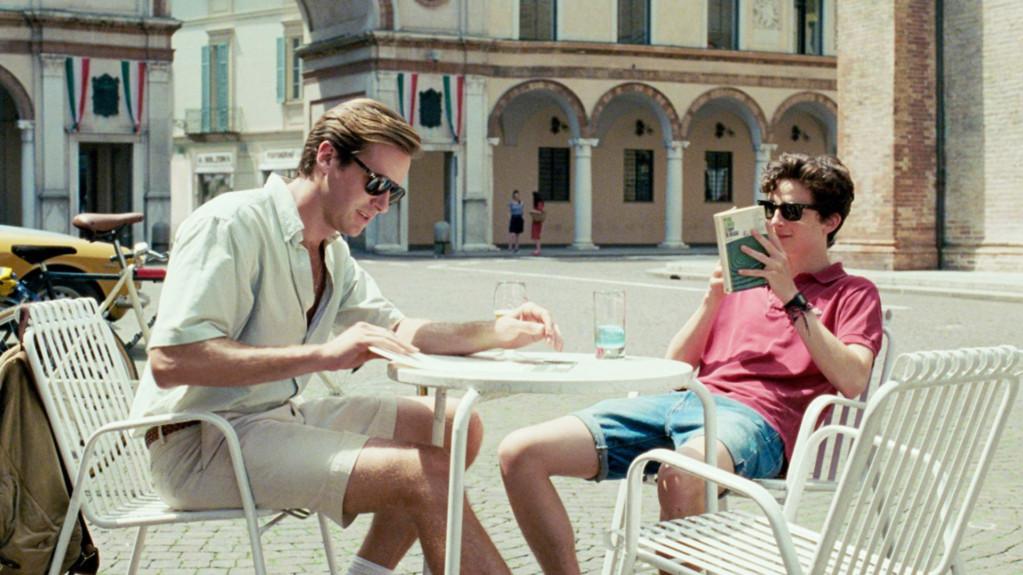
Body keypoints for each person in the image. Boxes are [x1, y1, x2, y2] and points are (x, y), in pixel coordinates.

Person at [129, 98, 563, 575]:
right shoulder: (231, 223)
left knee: (457, 424)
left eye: (394, 192)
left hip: (272, 418)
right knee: (426, 473)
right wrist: (323, 355)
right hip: (200, 442)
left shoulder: (331, 251)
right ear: (327, 157)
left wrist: (496, 332)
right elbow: (172, 361)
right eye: (377, 183)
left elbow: (399, 329)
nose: (383, 204)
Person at [498, 153, 883, 574]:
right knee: (521, 453)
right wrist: (711, 299)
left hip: (757, 420)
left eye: (791, 211)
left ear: (830, 221)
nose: (775, 221)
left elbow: (852, 378)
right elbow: (675, 367)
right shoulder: (744, 282)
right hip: (684, 401)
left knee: (680, 476)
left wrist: (791, 295)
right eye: (769, 208)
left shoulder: (853, 292)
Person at [530, 191, 545, 256]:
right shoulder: (540, 202)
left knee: (536, 236)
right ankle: (537, 249)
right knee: (536, 236)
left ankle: (538, 250)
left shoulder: (539, 203)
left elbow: (540, 211)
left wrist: (533, 211)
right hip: (536, 221)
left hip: (537, 222)